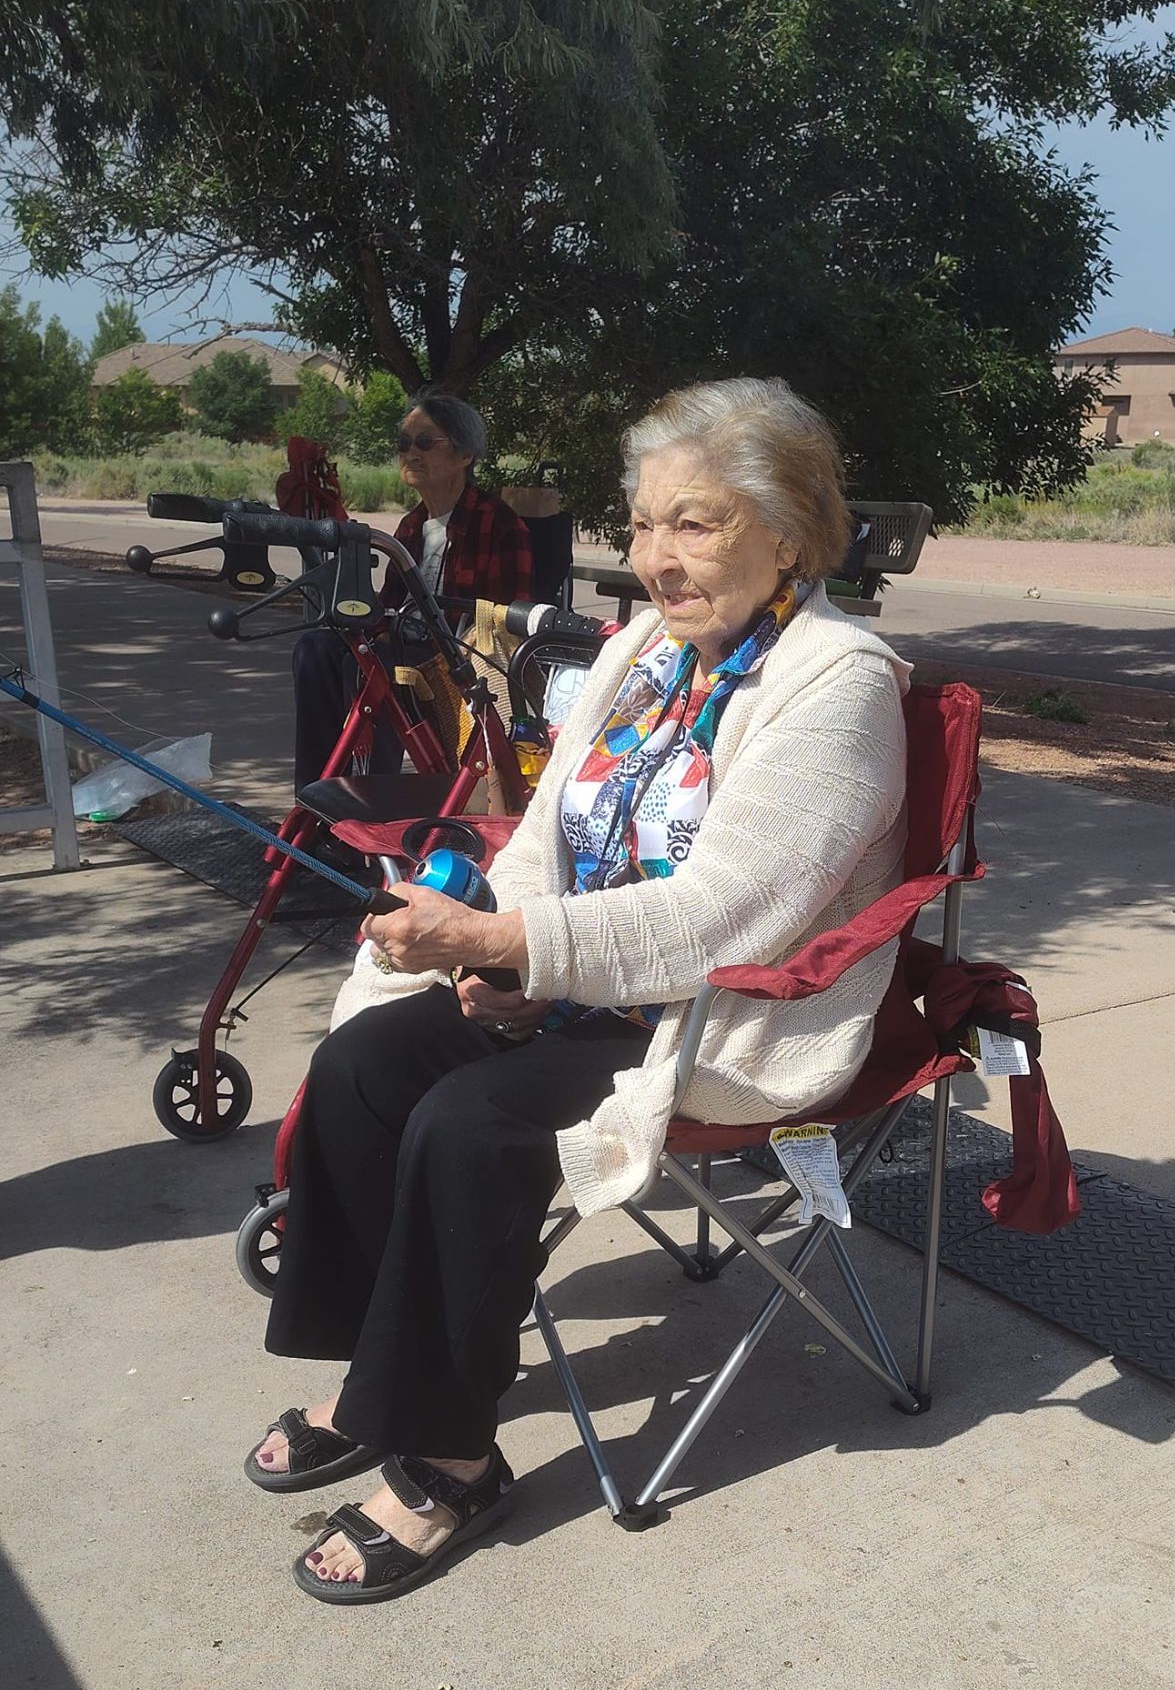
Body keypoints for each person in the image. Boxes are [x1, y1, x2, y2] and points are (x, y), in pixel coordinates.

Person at [248, 376, 911, 1605]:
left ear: (790, 532)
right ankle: (371, 1377)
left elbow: (726, 920)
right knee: (361, 1066)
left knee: (471, 1121)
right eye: (644, 521)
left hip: (718, 1017)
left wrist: (513, 953)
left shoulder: (841, 683)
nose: (656, 556)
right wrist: (491, 934)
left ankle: (449, 1457)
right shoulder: (644, 651)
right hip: (582, 980)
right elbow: (547, 832)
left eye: (697, 523)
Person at [289, 393, 534, 798]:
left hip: (461, 660)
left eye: (425, 443)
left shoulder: (500, 524)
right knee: (314, 648)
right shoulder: (411, 526)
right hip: (406, 646)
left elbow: (505, 622)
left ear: (465, 455)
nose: (410, 453)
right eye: (404, 444)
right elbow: (388, 605)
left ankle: (369, 798)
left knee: (372, 666)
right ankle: (314, 796)